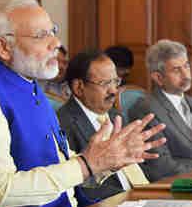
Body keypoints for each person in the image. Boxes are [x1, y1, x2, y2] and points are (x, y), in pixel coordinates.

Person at [0, 0, 165, 207]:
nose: (56, 43)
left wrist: (107, 161)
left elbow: (62, 166)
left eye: (53, 31)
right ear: (3, 47)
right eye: (41, 36)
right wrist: (87, 165)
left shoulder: (30, 84)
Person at [128, 40, 192, 180]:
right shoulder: (146, 108)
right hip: (185, 184)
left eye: (186, 66)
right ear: (158, 77)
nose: (186, 75)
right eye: (176, 70)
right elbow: (161, 165)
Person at [58, 50, 148, 193]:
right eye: (105, 83)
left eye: (115, 81)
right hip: (107, 206)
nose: (113, 91)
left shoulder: (115, 115)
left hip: (143, 195)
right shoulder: (63, 123)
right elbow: (78, 187)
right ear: (79, 87)